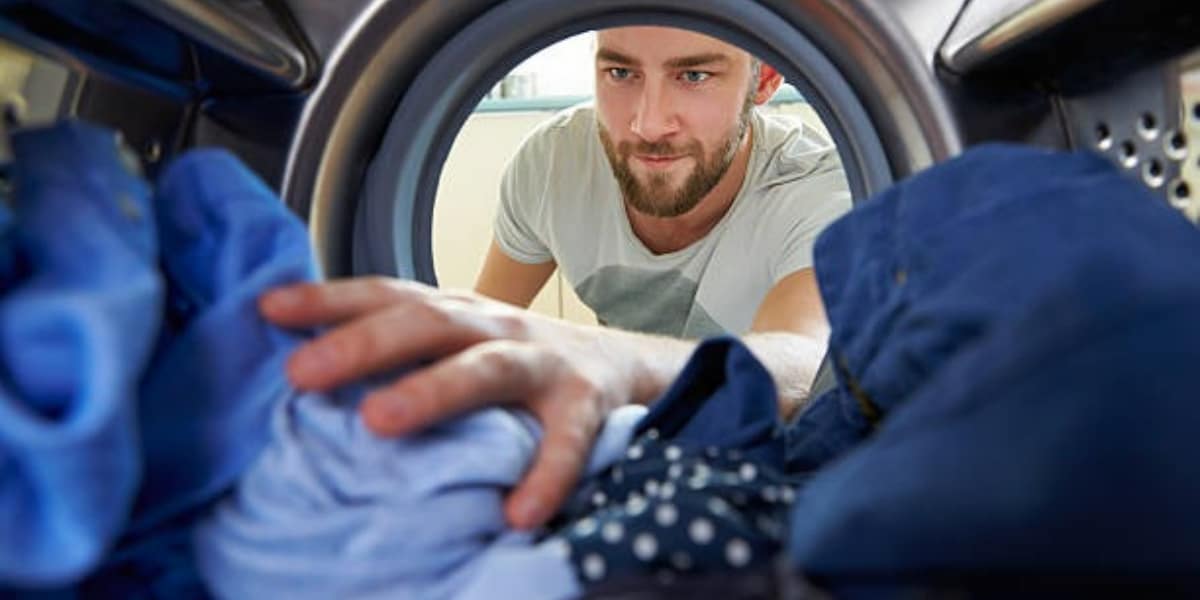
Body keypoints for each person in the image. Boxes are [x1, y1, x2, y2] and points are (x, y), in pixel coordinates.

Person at [259, 26, 850, 533]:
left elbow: (801, 363)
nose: (647, 124)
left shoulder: (815, 187)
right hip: (614, 443)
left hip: (753, 461)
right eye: (620, 72)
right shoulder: (552, 162)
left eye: (693, 76)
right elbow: (485, 323)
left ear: (765, 81)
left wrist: (609, 360)